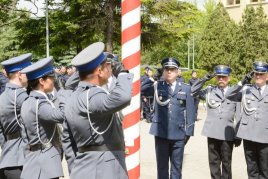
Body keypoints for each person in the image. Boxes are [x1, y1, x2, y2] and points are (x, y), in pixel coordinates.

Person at [63, 42, 133, 179]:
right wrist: (123, 73)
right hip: (105, 169)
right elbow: (123, 97)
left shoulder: (73, 97)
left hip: (83, 167)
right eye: (108, 65)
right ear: (99, 71)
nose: (111, 69)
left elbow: (68, 140)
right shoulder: (93, 95)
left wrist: (77, 168)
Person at [226, 61, 268, 179]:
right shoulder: (246, 90)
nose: (258, 76)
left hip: (265, 137)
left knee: (264, 170)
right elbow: (228, 95)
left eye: (261, 74)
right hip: (249, 135)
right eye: (256, 73)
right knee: (251, 170)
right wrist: (242, 81)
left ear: (267, 76)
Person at [145, 57, 195, 179]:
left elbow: (191, 112)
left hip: (178, 134)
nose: (169, 71)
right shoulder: (157, 85)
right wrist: (153, 78)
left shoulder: (186, 88)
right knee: (162, 168)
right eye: (166, 69)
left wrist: (188, 132)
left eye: (172, 69)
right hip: (161, 132)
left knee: (176, 168)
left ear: (178, 72)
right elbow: (141, 89)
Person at [191, 65, 241, 179]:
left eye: (224, 77)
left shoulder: (235, 93)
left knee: (227, 164)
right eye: (219, 77)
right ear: (215, 78)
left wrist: (238, 135)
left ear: (228, 78)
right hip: (212, 132)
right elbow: (193, 91)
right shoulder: (210, 90)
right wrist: (204, 79)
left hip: (227, 134)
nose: (221, 79)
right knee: (213, 163)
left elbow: (238, 115)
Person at [20, 57, 65, 179]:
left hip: (33, 161)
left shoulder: (27, 101)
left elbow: (25, 136)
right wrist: (62, 92)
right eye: (52, 78)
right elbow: (62, 115)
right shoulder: (40, 104)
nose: (54, 81)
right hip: (45, 164)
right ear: (41, 81)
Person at [0, 53, 32, 179]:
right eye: (28, 72)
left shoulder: (2, 97)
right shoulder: (21, 96)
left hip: (7, 159)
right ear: (20, 74)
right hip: (22, 162)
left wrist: (8, 146)